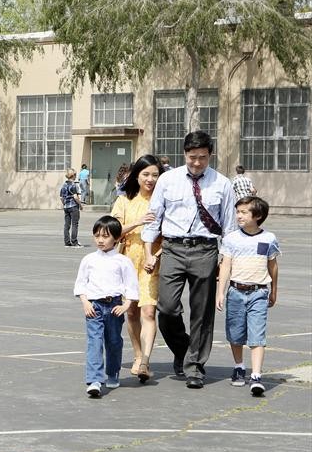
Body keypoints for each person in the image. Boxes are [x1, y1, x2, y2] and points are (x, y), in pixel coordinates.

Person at [142, 131, 236, 388]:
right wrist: (149, 252)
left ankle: (195, 367)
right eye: (193, 157)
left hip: (205, 250)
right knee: (168, 308)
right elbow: (154, 217)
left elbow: (229, 227)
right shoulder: (168, 180)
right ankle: (184, 349)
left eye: (203, 158)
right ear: (185, 154)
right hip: (172, 248)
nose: (197, 163)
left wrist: (225, 261)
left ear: (210, 155)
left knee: (202, 312)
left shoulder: (222, 184)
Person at [216, 197, 279, 397]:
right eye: (238, 212)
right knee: (235, 334)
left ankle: (256, 376)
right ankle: (239, 366)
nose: (239, 216)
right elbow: (225, 265)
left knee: (257, 335)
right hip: (235, 292)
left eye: (244, 212)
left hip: (259, 293)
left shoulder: (268, 239)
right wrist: (221, 292)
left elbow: (273, 266)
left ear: (258, 216)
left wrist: (274, 290)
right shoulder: (231, 238)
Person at [110, 155, 166, 382]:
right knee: (131, 311)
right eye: (146, 174)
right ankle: (137, 354)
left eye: (155, 175)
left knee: (149, 311)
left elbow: (169, 235)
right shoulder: (124, 201)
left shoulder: (163, 201)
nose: (150, 179)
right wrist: (137, 221)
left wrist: (156, 256)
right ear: (136, 176)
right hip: (127, 263)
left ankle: (145, 361)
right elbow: (112, 231)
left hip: (152, 263)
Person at [74, 216, 139, 398]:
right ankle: (94, 380)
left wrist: (126, 304)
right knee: (94, 342)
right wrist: (85, 302)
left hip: (114, 306)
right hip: (94, 306)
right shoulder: (88, 260)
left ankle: (112, 372)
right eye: (97, 236)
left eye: (105, 236)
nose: (100, 240)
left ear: (117, 238)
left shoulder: (122, 261)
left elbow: (131, 285)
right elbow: (81, 283)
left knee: (114, 341)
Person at [60, 168, 83, 247]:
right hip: (73, 206)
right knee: (75, 224)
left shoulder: (64, 185)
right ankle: (74, 241)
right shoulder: (73, 185)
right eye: (75, 175)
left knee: (67, 225)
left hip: (66, 207)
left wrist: (64, 204)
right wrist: (80, 205)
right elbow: (76, 197)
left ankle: (67, 242)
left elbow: (61, 198)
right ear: (73, 176)